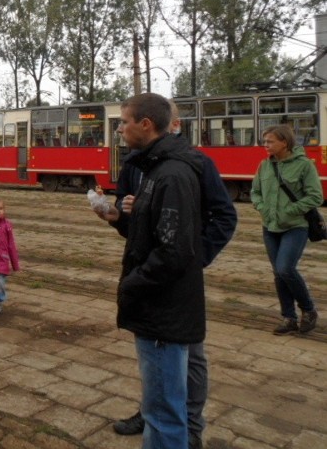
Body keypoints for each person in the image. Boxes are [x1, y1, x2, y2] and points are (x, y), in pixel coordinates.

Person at [97, 101, 237, 449]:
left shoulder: (178, 170)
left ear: (147, 124)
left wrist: (191, 260)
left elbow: (202, 230)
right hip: (169, 289)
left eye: (123, 123)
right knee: (166, 387)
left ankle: (187, 429)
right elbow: (147, 231)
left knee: (178, 382)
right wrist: (120, 218)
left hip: (166, 296)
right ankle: (167, 420)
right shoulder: (144, 165)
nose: (118, 130)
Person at [251, 124, 320, 336]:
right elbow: (255, 192)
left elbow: (315, 196)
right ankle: (288, 318)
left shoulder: (304, 166)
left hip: (295, 226)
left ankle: (308, 310)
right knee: (278, 274)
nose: (265, 145)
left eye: (270, 141)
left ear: (285, 142)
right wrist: (262, 208)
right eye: (265, 141)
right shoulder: (264, 166)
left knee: (285, 269)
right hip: (270, 227)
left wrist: (290, 210)